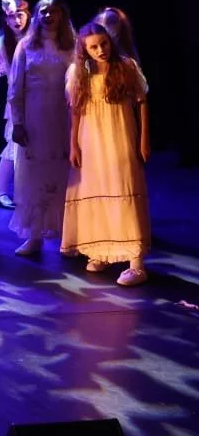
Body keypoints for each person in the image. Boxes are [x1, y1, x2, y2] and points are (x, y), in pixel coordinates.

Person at [63, 22, 150, 286]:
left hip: (120, 136)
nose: (100, 50)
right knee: (95, 189)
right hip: (91, 140)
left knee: (124, 189)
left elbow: (142, 101)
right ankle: (101, 250)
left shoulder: (125, 66)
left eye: (104, 44)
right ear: (84, 49)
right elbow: (76, 111)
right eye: (93, 47)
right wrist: (74, 144)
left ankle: (136, 262)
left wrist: (144, 138)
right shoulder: (78, 72)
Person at [9, 0, 76, 256]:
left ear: (62, 15)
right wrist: (17, 122)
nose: (49, 16)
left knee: (64, 175)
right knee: (34, 177)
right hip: (35, 119)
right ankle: (34, 236)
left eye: (54, 11)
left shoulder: (73, 46)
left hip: (65, 118)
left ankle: (67, 236)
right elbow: (15, 87)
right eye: (44, 11)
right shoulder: (26, 46)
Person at [0, 0, 30, 208]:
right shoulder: (1, 46)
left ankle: (32, 191)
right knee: (14, 145)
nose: (16, 20)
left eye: (20, 15)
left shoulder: (37, 39)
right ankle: (1, 191)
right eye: (11, 16)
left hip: (42, 98)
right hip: (18, 101)